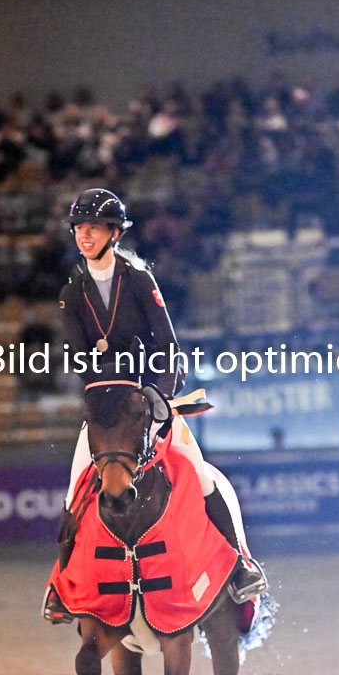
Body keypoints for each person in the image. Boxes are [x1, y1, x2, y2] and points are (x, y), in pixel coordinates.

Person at [43, 188, 266, 622]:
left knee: (199, 473)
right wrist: (104, 393)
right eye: (80, 228)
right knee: (74, 493)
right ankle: (61, 587)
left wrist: (156, 395)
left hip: (149, 401)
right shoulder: (72, 292)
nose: (84, 235)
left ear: (114, 233)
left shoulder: (140, 280)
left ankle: (241, 565)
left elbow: (168, 346)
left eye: (94, 228)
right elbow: (77, 357)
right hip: (107, 409)